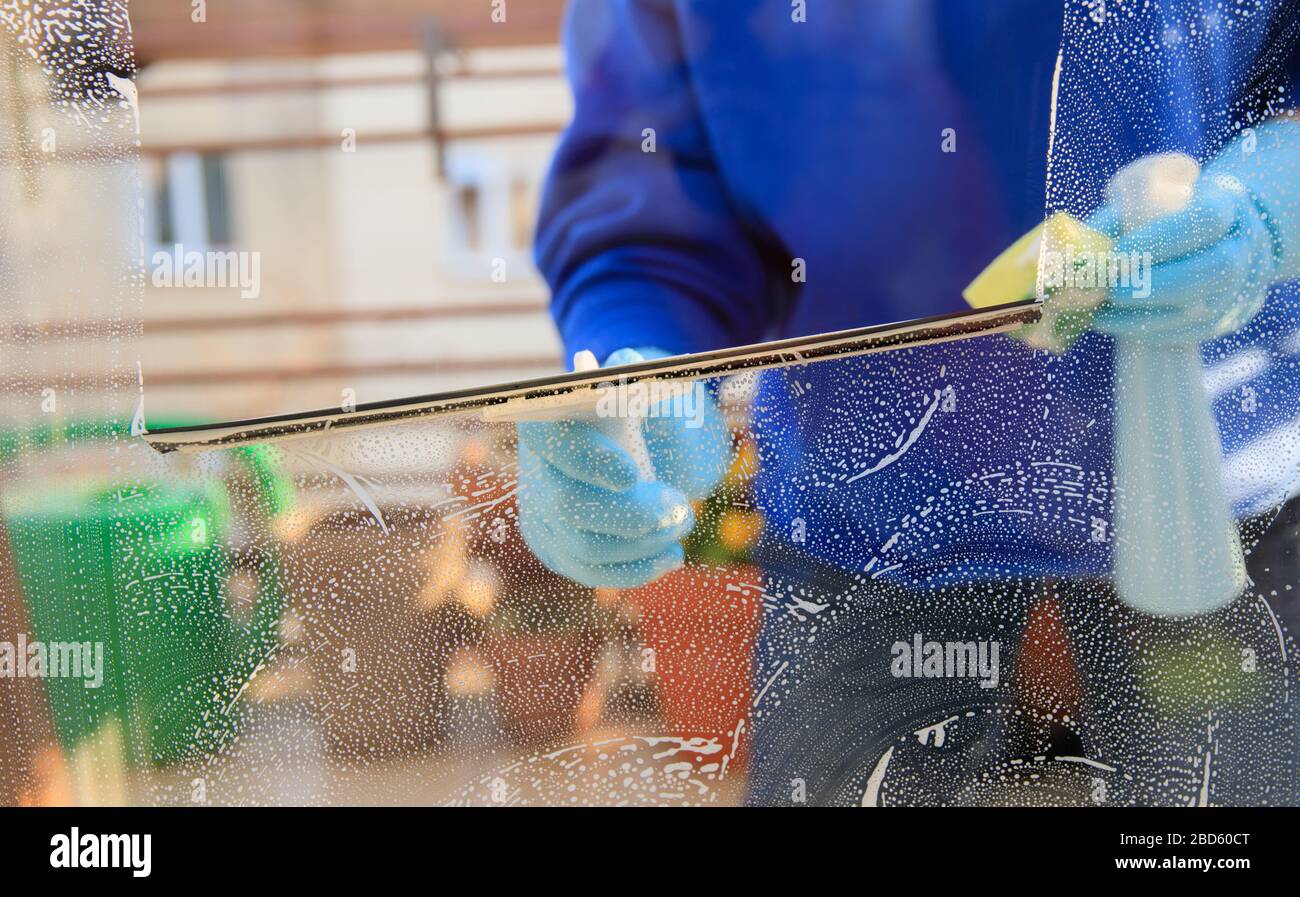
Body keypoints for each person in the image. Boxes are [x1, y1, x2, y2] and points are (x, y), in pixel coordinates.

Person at [520, 0, 1300, 804]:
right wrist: (639, 349)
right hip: (867, 500)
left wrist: (1271, 210)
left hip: (1220, 477)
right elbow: (654, 147)